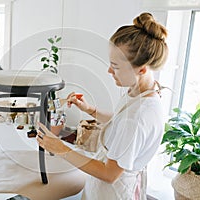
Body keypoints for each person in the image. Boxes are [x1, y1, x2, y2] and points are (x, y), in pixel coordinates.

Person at [37, 12, 168, 200]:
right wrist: (90, 110)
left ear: (142, 69)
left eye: (115, 66)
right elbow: (120, 121)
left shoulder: (138, 117)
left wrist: (61, 148)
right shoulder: (142, 93)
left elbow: (110, 174)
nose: (109, 70)